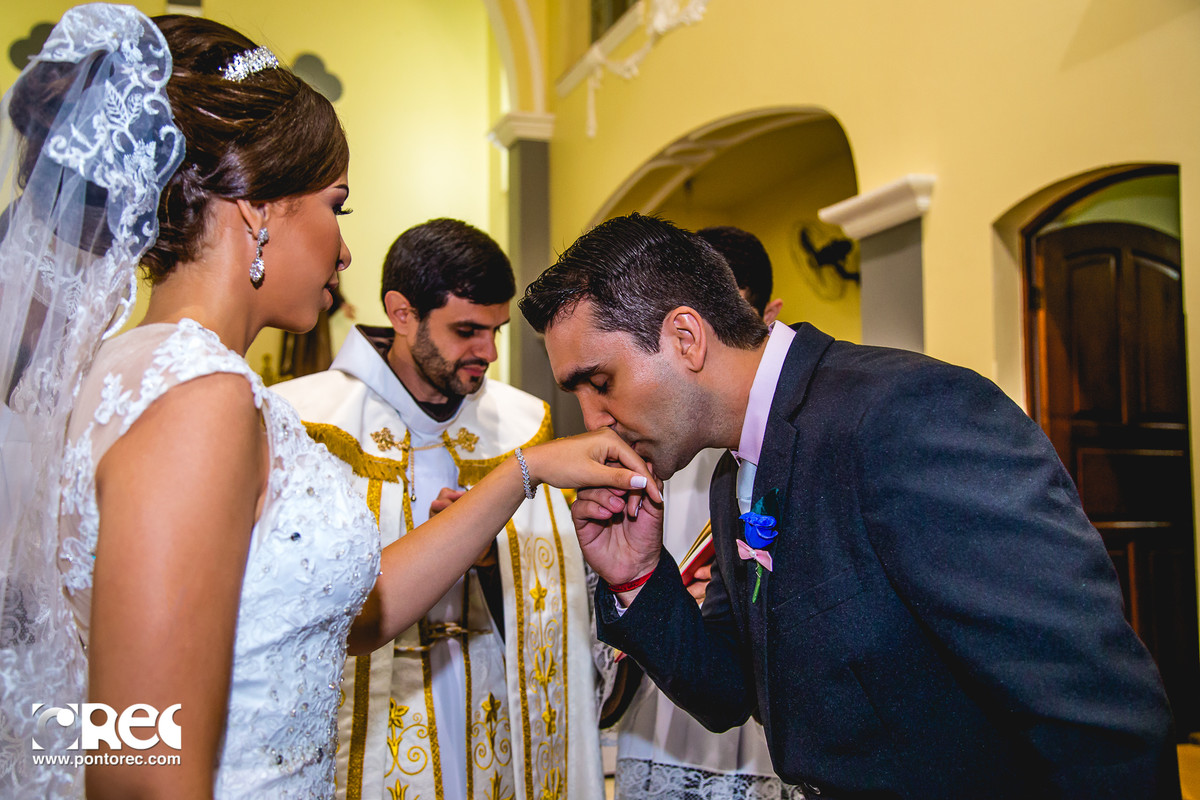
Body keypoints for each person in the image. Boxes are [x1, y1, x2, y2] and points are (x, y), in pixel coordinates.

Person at [0, 9, 657, 799]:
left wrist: (526, 468)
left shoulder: (150, 372)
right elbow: (142, 766)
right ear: (256, 209)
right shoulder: (195, 399)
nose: (344, 249)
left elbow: (354, 615)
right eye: (335, 203)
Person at [518, 213, 1180, 798]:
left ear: (687, 338)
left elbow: (1096, 714)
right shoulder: (734, 471)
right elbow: (728, 694)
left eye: (599, 382)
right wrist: (637, 575)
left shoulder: (910, 417)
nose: (594, 420)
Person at [274, 218, 606, 800]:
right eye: (467, 330)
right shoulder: (309, 422)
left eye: (497, 331)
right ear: (402, 313)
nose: (488, 353)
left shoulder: (522, 425)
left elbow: (555, 598)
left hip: (489, 702)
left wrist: (484, 560)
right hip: (376, 718)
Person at [605, 225, 799, 799]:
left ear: (768, 313)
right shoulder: (649, 438)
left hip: (773, 718)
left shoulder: (790, 438)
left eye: (730, 311)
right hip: (670, 706)